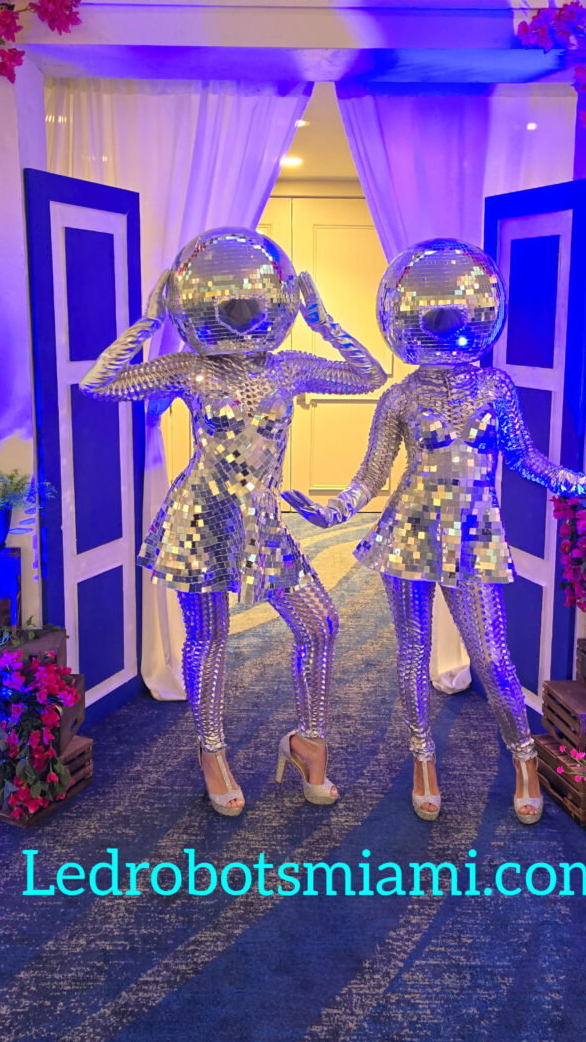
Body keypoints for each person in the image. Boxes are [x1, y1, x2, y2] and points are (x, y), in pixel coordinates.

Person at [284, 238, 586, 824]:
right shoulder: (397, 395)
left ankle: (524, 758)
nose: (442, 325)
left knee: (494, 659)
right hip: (406, 536)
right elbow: (373, 473)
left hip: (473, 539)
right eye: (430, 318)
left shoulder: (494, 388)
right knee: (413, 654)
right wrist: (333, 509)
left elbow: (527, 461)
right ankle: (423, 759)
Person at [81, 227, 386, 816]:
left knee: (320, 624)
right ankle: (211, 752)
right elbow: (99, 385)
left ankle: (308, 741)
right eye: (232, 309)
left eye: (255, 308)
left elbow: (370, 375)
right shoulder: (191, 367)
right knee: (210, 638)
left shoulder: (290, 366)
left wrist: (324, 322)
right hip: (200, 520)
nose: (244, 319)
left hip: (263, 524)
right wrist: (148, 323)